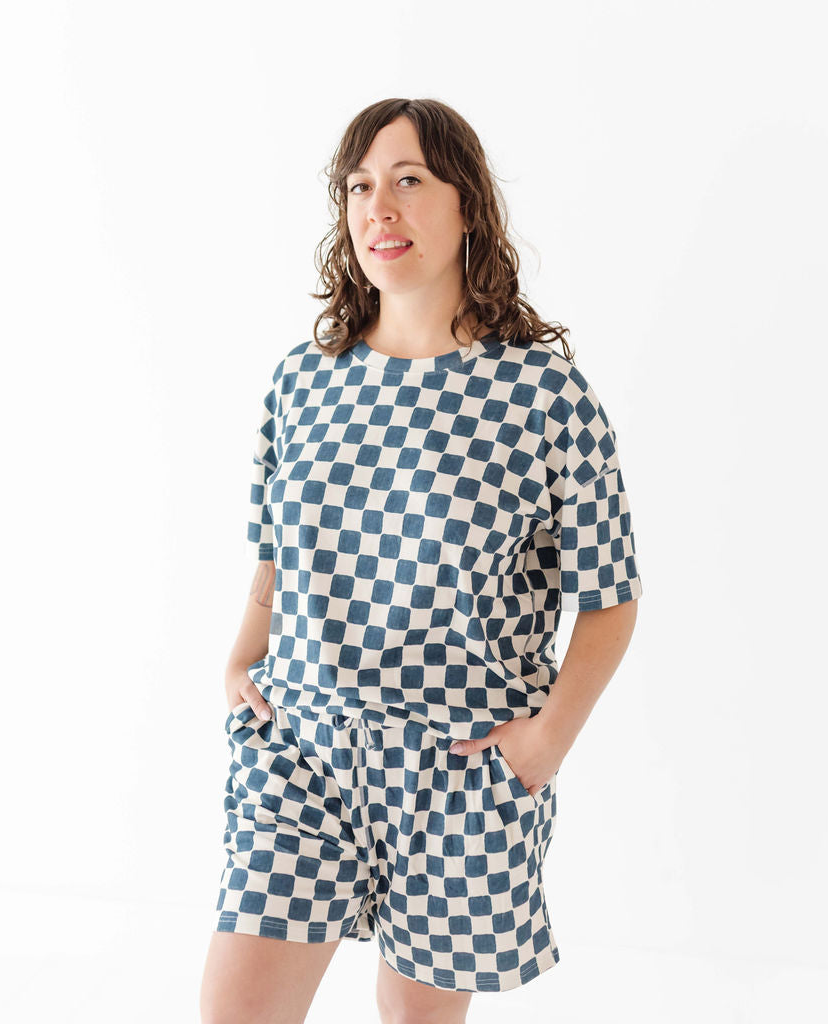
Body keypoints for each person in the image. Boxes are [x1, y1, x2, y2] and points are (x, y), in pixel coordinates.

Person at [199, 97, 643, 1024]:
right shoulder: (303, 380)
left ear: (467, 205)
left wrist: (542, 744)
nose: (379, 209)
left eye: (409, 181)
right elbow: (275, 550)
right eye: (360, 187)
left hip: (462, 772)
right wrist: (243, 654)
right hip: (304, 751)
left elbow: (610, 595)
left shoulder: (540, 393)